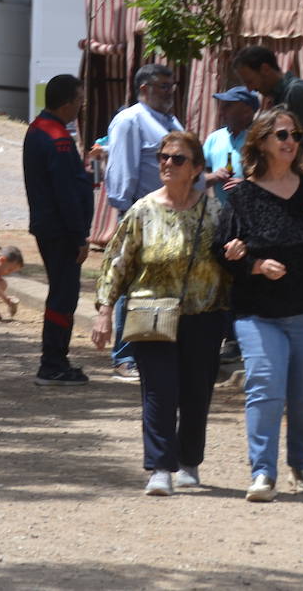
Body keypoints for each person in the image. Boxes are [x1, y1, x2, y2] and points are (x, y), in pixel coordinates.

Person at [214, 108, 303, 501]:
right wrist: (255, 265)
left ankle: (301, 465)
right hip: (260, 314)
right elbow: (221, 252)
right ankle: (262, 473)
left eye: (295, 134)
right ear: (261, 142)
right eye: (281, 134)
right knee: (265, 387)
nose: (291, 141)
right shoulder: (241, 195)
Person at [91, 131, 229, 496]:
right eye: (163, 157)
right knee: (159, 391)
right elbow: (117, 263)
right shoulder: (143, 210)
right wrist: (105, 311)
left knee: (196, 392)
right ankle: (159, 467)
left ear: (197, 169)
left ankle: (189, 461)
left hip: (204, 314)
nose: (168, 164)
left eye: (178, 159)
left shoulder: (215, 212)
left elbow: (231, 262)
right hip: (151, 311)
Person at [105, 64, 183, 381]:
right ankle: (125, 356)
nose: (169, 92)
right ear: (143, 89)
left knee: (159, 283)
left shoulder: (171, 122)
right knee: (132, 284)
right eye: (163, 86)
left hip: (173, 216)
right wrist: (127, 215)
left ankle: (153, 348)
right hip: (141, 216)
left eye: (171, 86)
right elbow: (122, 171)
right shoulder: (131, 120)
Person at [23, 74, 94, 385]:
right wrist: (79, 235)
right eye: (79, 100)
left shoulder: (39, 128)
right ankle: (53, 363)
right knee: (64, 296)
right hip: (61, 231)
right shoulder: (57, 138)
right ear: (67, 103)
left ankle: (55, 360)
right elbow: (66, 192)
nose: (81, 107)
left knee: (61, 293)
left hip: (48, 226)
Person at [232, 45, 303, 142]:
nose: (250, 89)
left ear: (265, 69)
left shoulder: (297, 93)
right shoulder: (278, 97)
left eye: (250, 82)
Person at [203, 86, 259, 206]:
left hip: (252, 212)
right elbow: (195, 178)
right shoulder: (214, 138)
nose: (221, 112)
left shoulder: (261, 141)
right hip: (218, 212)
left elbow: (274, 181)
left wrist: (247, 186)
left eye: (227, 106)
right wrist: (214, 176)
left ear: (246, 111)